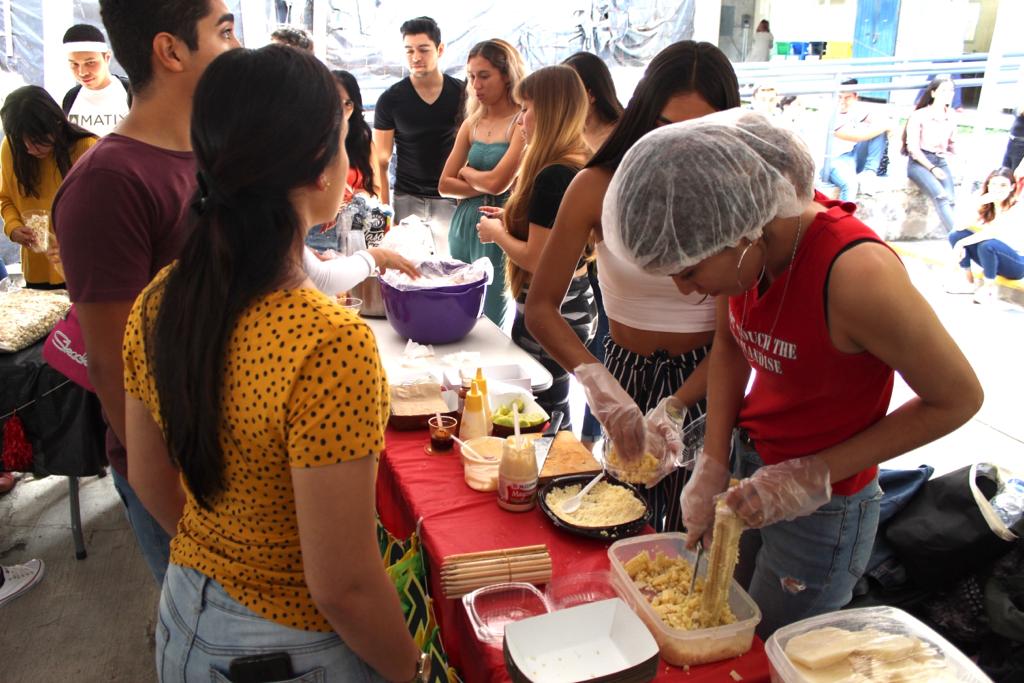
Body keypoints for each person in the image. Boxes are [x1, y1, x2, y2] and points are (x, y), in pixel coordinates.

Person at [601, 109, 981, 637]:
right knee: (719, 624)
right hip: (751, 469)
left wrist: (814, 474)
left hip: (826, 504)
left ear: (740, 230)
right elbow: (731, 344)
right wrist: (712, 459)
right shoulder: (744, 259)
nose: (687, 289)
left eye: (688, 272)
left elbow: (959, 397)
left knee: (770, 645)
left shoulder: (855, 274)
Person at [122, 45, 428, 683]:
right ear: (323, 171)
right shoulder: (329, 342)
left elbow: (148, 474)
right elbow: (343, 585)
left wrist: (230, 556)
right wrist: (414, 671)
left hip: (184, 617)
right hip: (288, 653)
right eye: (343, 141)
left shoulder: (162, 297)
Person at [53, 0, 241, 586]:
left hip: (237, 439)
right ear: (171, 51)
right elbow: (114, 372)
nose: (238, 49)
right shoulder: (109, 183)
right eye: (225, 32)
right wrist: (181, 513)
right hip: (181, 466)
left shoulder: (209, 153)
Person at [525, 41, 740, 532]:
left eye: (701, 129)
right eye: (666, 127)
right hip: (622, 372)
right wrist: (598, 383)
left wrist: (678, 404)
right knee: (618, 522)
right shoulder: (597, 185)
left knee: (695, 536)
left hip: (708, 381)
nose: (680, 144)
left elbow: (733, 337)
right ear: (643, 115)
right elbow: (540, 307)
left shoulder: (733, 197)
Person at [476, 65, 595, 427]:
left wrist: (497, 234)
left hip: (553, 308)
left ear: (549, 111)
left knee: (543, 415)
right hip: (574, 301)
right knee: (554, 407)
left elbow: (538, 258)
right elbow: (555, 236)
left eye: (525, 109)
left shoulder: (553, 175)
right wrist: (513, 219)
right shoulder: (577, 161)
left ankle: (550, 481)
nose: (520, 121)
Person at [440, 39, 526, 328]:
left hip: (498, 222)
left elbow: (500, 185)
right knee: (457, 309)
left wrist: (468, 174)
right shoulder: (471, 123)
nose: (475, 84)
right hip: (463, 223)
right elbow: (443, 185)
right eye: (472, 76)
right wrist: (484, 181)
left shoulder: (523, 122)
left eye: (484, 76)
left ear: (507, 75)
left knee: (492, 316)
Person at [562, 50, 622, 449]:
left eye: (568, 91)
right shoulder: (574, 138)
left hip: (620, 253)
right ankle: (593, 432)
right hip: (592, 252)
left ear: (589, 92)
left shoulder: (622, 132)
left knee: (608, 340)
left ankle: (594, 434)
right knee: (599, 340)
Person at [0, 86, 97, 289]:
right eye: (20, 140)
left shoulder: (87, 149)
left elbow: (105, 214)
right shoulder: (10, 148)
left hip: (81, 269)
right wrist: (13, 227)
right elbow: (5, 198)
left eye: (36, 140)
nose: (29, 148)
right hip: (36, 269)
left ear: (57, 124)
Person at [373, 16, 463, 228]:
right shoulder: (390, 99)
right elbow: (381, 161)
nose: (416, 57)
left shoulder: (463, 94)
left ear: (439, 50)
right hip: (407, 198)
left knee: (456, 262)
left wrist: (465, 195)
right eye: (409, 50)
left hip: (452, 198)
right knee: (407, 261)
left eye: (423, 50)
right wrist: (385, 211)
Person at [948, 167, 1023, 303]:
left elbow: (992, 234)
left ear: (1012, 187)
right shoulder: (985, 202)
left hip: (1016, 263)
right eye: (993, 184)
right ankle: (969, 281)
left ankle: (989, 289)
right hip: (992, 256)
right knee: (956, 235)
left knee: (988, 245)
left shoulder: (1017, 207)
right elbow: (959, 226)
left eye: (1003, 185)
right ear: (988, 186)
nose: (997, 189)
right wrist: (979, 203)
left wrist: (961, 244)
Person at [904, 76, 958, 235]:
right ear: (933, 93)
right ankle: (959, 239)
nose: (948, 94)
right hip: (919, 162)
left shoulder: (952, 115)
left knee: (951, 199)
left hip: (940, 160)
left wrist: (960, 159)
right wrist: (932, 168)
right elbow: (913, 149)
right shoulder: (919, 115)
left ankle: (957, 238)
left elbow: (953, 143)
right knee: (940, 196)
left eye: (951, 91)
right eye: (943, 91)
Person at [61, 24, 132, 136]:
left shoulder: (131, 92)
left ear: (107, 57)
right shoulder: (71, 98)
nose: (82, 72)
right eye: (74, 64)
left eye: (90, 63)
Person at [827, 78, 892, 200]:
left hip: (854, 156)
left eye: (847, 98)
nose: (842, 101)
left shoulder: (856, 110)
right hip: (835, 161)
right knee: (850, 185)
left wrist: (888, 126)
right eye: (839, 97)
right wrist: (886, 126)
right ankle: (845, 218)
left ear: (855, 97)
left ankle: (870, 172)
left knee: (879, 130)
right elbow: (855, 136)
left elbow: (881, 120)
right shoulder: (830, 113)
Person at [331, 70, 379, 200]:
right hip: (319, 218)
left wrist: (359, 197)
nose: (341, 110)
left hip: (355, 216)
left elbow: (376, 188)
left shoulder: (362, 139)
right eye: (335, 101)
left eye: (348, 103)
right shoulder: (312, 139)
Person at [561, 51, 622, 153]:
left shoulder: (622, 138)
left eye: (567, 91)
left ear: (591, 95)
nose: (561, 102)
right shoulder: (568, 142)